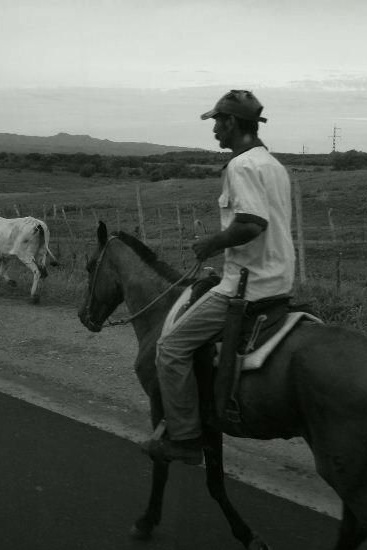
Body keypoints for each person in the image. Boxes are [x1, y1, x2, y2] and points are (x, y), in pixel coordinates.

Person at [141, 90, 296, 464]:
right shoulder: (272, 164)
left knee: (170, 348)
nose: (213, 130)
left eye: (216, 122)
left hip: (246, 286)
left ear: (231, 123)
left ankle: (185, 437)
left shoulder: (241, 166)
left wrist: (211, 243)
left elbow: (251, 224)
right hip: (279, 281)